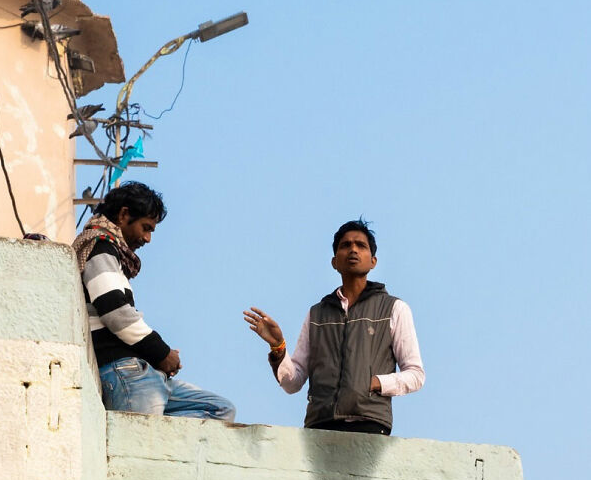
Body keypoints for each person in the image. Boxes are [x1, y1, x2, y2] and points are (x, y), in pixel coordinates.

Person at [244, 219, 424, 434]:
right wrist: (278, 346)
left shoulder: (394, 309)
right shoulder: (317, 314)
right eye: (345, 245)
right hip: (319, 425)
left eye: (361, 245)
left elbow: (415, 374)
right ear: (334, 261)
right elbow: (293, 382)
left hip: (369, 423)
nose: (353, 250)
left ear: (373, 261)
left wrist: (373, 383)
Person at [73, 182, 235, 421]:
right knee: (139, 445)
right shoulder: (101, 247)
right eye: (145, 227)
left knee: (220, 411)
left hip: (143, 372)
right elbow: (116, 313)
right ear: (124, 215)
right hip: (126, 373)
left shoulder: (112, 254)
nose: (147, 238)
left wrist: (157, 356)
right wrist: (161, 352)